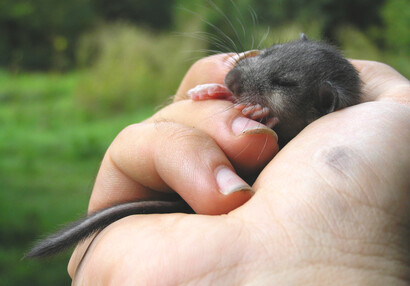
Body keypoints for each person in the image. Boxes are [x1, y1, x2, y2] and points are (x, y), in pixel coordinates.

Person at [68, 53, 410, 285]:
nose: (244, 74)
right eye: (265, 54)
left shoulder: (365, 129)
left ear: (324, 104)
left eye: (284, 84)